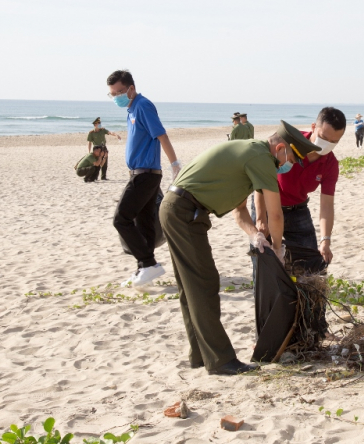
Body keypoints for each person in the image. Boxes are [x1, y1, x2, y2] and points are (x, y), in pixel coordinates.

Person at [160, 121, 321, 375]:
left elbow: (240, 211)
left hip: (180, 209)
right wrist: (278, 250)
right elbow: (276, 215)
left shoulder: (251, 152)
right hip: (184, 211)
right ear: (280, 148)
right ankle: (221, 361)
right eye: (291, 158)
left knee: (190, 286)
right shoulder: (262, 159)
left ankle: (200, 355)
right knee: (204, 284)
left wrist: (255, 234)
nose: (288, 165)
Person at [107, 70, 181, 287]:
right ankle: (145, 269)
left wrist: (174, 164)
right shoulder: (131, 109)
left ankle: (148, 263)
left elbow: (161, 135)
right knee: (145, 222)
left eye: (119, 92)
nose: (116, 97)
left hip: (145, 174)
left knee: (121, 219)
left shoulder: (143, 105)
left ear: (131, 88)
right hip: (142, 173)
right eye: (112, 94)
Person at [254, 107, 345, 267]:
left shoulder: (330, 164)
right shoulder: (288, 142)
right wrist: (261, 219)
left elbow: (326, 205)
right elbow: (260, 180)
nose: (327, 145)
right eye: (324, 138)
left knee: (311, 264)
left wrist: (326, 240)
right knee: (264, 264)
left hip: (298, 210)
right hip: (268, 206)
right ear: (313, 127)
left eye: (334, 142)